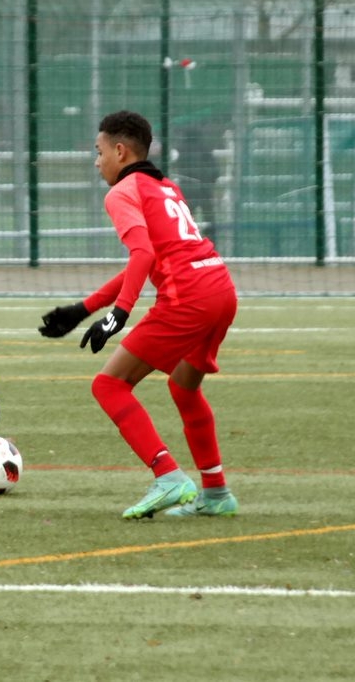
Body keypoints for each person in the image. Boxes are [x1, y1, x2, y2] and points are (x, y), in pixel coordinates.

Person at [38, 110, 239, 519]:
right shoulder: (165, 186)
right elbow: (149, 260)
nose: (96, 162)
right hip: (220, 287)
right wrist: (84, 308)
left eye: (98, 152)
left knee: (108, 385)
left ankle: (168, 476)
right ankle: (216, 493)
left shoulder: (121, 193)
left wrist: (118, 316)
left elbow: (143, 254)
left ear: (119, 150)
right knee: (184, 387)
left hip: (189, 298)